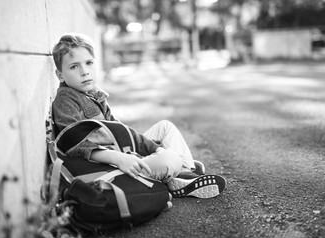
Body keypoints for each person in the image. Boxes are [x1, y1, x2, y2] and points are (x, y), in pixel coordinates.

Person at [51, 33, 226, 199]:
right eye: (74, 66)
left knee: (165, 128)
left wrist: (154, 148)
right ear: (60, 75)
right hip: (112, 167)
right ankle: (181, 172)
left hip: (124, 154)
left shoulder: (93, 94)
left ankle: (181, 173)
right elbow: (73, 144)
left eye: (89, 63)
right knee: (170, 158)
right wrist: (120, 158)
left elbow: (122, 132)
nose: (84, 71)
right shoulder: (65, 100)